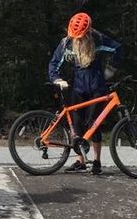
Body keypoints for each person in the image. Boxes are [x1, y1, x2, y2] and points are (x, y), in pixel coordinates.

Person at [49, 12, 121, 175]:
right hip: (78, 86)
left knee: (93, 123)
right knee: (76, 122)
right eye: (76, 37)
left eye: (81, 36)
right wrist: (56, 79)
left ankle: (96, 161)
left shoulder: (97, 38)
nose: (78, 39)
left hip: (97, 87)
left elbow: (117, 48)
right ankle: (80, 161)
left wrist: (111, 69)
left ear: (87, 32)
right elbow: (54, 63)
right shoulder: (66, 42)